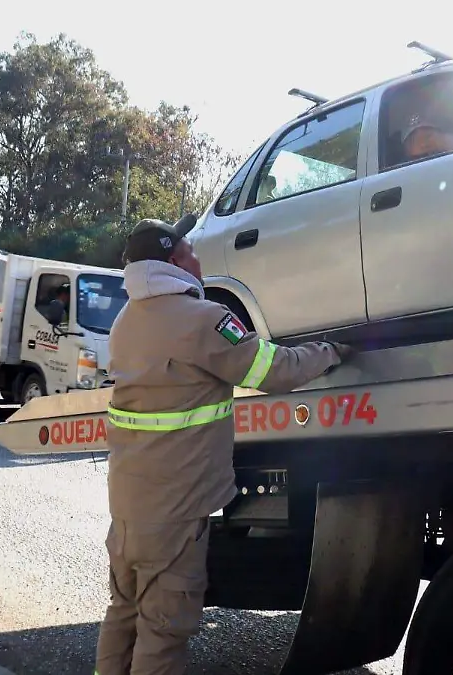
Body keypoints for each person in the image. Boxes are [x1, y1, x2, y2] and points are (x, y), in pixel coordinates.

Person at [95, 216, 354, 675]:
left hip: (128, 511)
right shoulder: (204, 319)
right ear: (175, 261)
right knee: (163, 630)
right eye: (191, 251)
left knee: (123, 615)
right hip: (175, 515)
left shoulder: (125, 323)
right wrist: (331, 351)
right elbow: (274, 370)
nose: (198, 259)